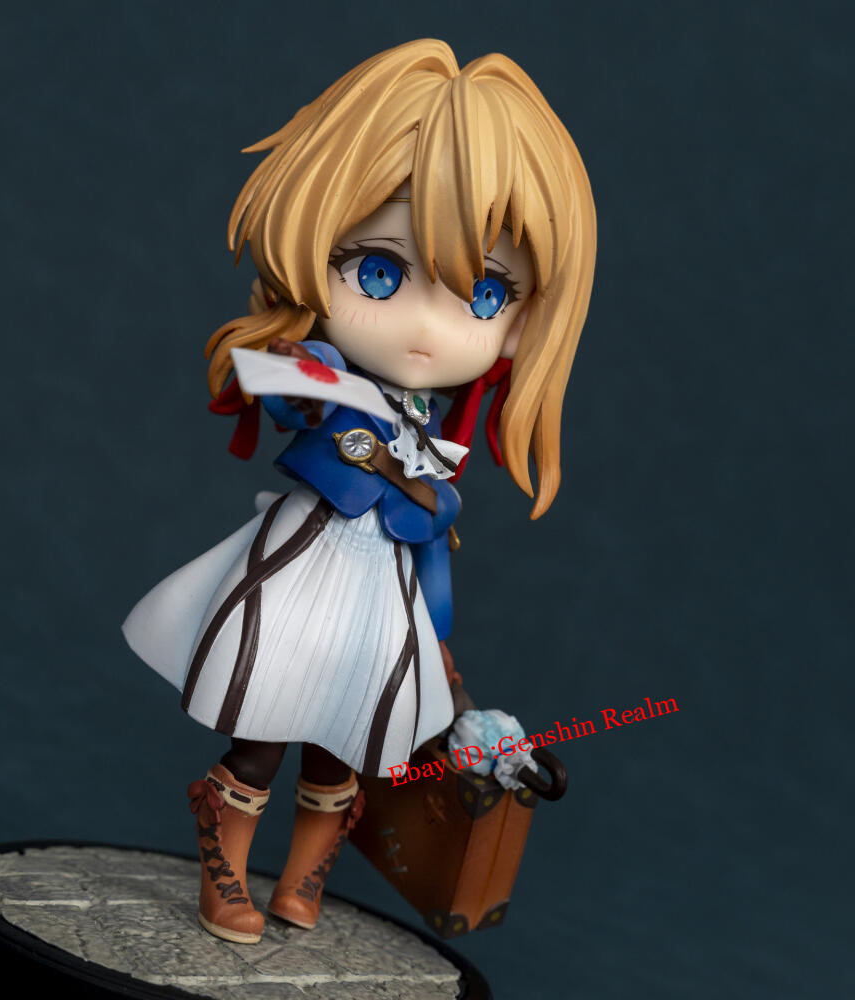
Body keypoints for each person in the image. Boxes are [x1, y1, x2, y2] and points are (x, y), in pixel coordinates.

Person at [123, 38, 596, 945]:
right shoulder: (327, 376)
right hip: (306, 568)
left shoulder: (430, 436)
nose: (426, 326)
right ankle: (226, 869)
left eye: (485, 295)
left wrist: (442, 648)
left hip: (382, 599)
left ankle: (303, 878)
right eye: (380, 271)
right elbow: (276, 386)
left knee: (346, 744)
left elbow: (429, 539)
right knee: (263, 731)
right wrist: (310, 385)